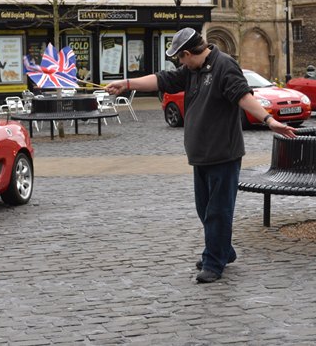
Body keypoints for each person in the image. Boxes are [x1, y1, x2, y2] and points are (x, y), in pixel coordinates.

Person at [105, 27, 297, 284]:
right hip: (201, 155)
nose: (180, 64)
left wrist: (269, 119)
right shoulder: (192, 70)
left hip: (223, 153)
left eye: (180, 58)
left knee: (218, 210)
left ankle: (214, 262)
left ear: (188, 53)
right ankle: (222, 250)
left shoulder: (224, 66)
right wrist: (127, 84)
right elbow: (162, 79)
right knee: (204, 208)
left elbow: (244, 96)